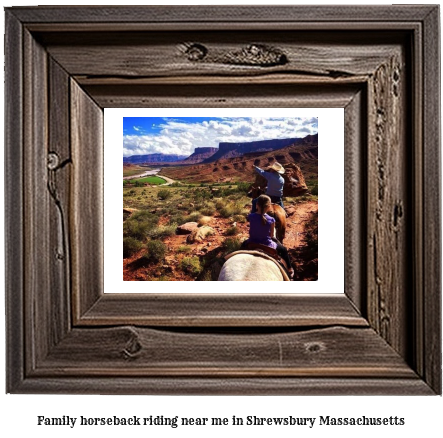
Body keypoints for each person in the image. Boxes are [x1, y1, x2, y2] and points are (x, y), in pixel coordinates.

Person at [241, 194, 294, 279]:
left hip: (252, 242)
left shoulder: (251, 216)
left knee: (242, 247)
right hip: (267, 244)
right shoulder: (271, 220)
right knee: (283, 250)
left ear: (257, 205)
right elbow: (271, 235)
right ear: (269, 207)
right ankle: (290, 268)